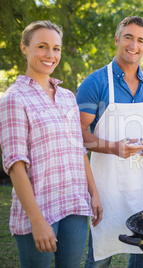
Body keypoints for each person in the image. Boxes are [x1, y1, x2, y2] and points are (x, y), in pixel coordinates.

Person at [0, 20, 102, 267]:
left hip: (74, 203)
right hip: (39, 207)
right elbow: (16, 165)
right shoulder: (14, 98)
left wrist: (94, 192)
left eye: (56, 48)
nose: (50, 54)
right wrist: (36, 220)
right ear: (25, 48)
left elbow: (79, 150)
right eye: (42, 46)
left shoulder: (67, 97)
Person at [76, 16, 143, 267]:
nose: (133, 45)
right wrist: (114, 148)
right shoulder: (95, 83)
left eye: (140, 40)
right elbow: (77, 131)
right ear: (117, 39)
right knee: (100, 254)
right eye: (128, 37)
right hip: (105, 187)